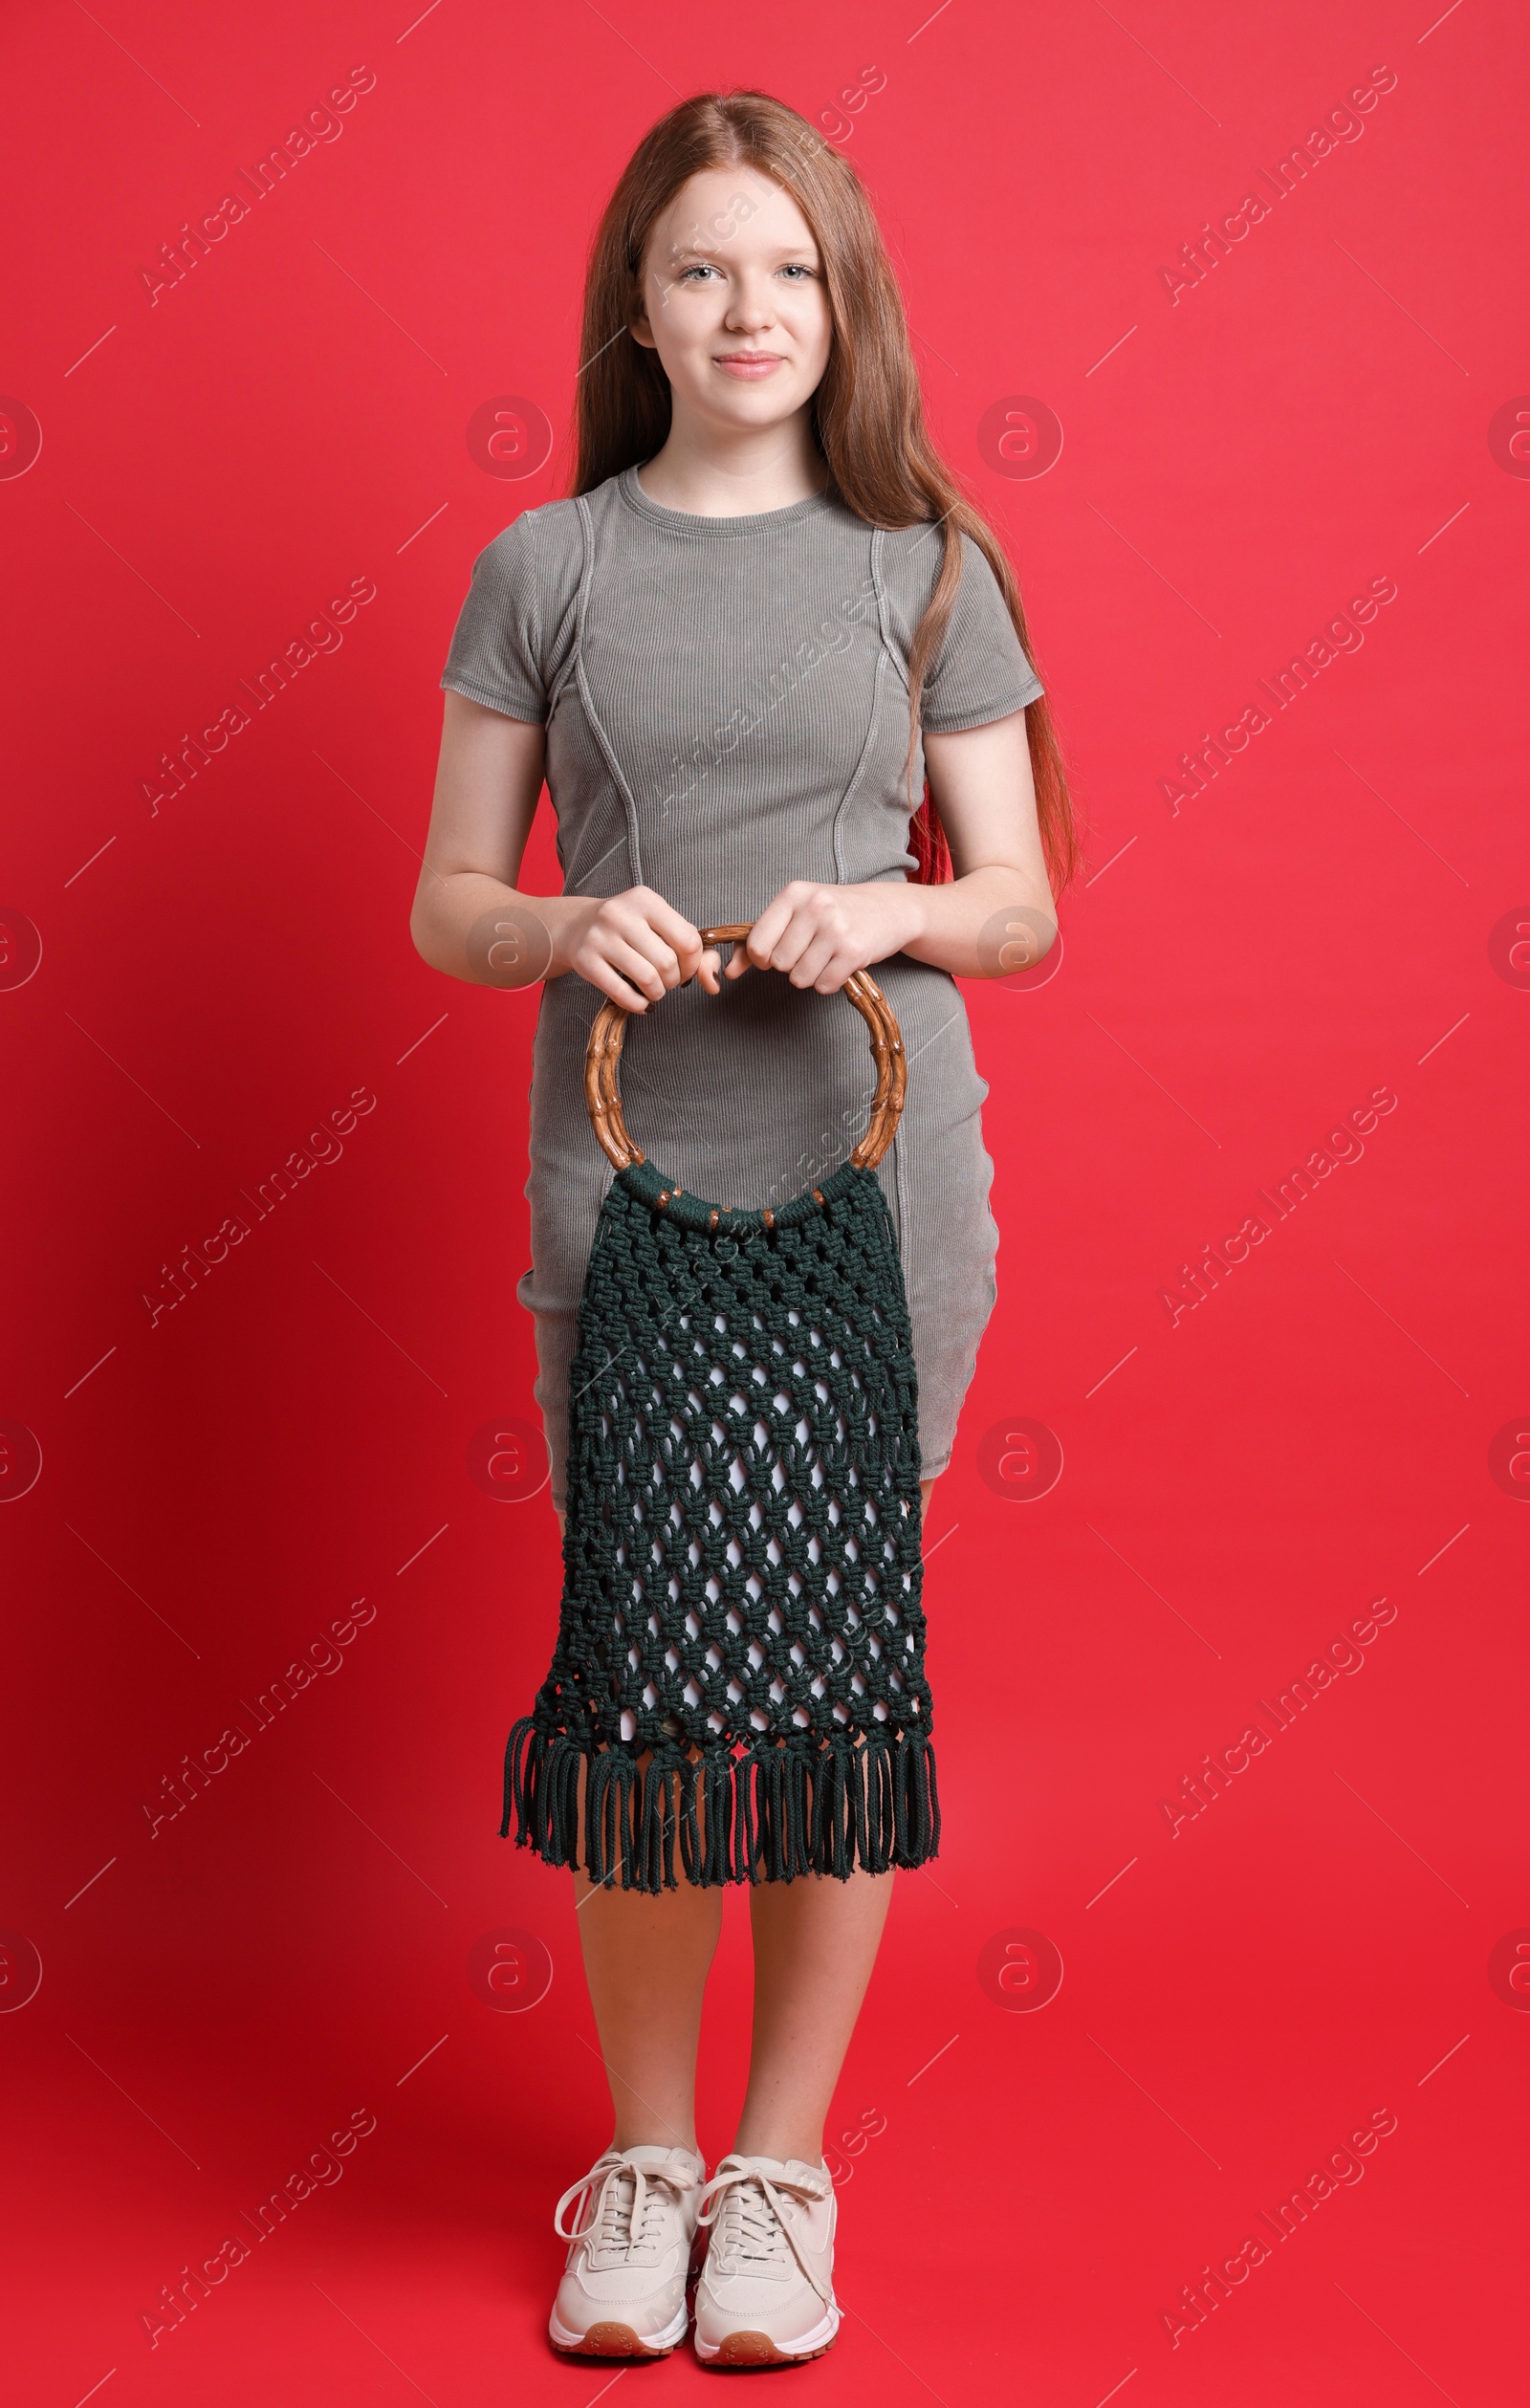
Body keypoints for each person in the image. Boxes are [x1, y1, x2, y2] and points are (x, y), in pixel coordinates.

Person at [411, 88, 1081, 2370]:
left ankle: (779, 2175)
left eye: (789, 268)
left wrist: (878, 900)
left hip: (874, 1186)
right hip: (625, 1180)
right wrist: (560, 921)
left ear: (845, 296)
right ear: (636, 302)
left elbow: (1016, 901)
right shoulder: (545, 563)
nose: (748, 309)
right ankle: (648, 2161)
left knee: (821, 1670)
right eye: (702, 267)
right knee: (646, 1676)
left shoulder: (924, 563)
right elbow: (443, 904)